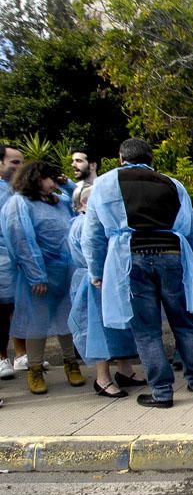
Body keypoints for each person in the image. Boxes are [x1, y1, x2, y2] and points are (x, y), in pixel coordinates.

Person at [83, 138, 193, 408]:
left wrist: (95, 270)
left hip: (131, 257)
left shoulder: (104, 184)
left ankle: (162, 392)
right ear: (151, 158)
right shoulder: (173, 184)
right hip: (172, 255)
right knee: (183, 321)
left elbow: (92, 234)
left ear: (120, 157)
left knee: (147, 330)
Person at [1, 161, 84, 395]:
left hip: (65, 271)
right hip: (39, 275)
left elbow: (80, 201)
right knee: (35, 323)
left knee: (67, 320)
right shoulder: (20, 203)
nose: (51, 183)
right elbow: (21, 240)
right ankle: (34, 368)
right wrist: (36, 274)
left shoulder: (57, 201)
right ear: (35, 179)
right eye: (48, 179)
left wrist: (65, 183)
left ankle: (71, 363)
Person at [68, 186, 145, 398]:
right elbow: (91, 251)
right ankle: (102, 378)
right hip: (95, 282)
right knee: (99, 329)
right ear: (84, 203)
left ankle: (125, 369)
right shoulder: (83, 224)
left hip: (108, 279)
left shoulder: (99, 222)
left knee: (119, 325)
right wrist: (98, 274)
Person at [0, 144, 25, 380]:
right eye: (14, 162)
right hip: (2, 259)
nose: (19, 167)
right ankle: (2, 358)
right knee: (2, 309)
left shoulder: (18, 191)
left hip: (17, 259)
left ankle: (21, 354)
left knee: (19, 307)